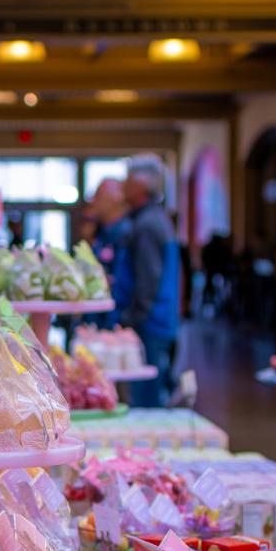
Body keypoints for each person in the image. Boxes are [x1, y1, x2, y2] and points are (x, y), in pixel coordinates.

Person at [120, 156, 180, 407]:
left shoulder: (147, 224)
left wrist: (132, 319)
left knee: (147, 399)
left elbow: (149, 278)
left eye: (128, 180)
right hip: (159, 319)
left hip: (151, 323)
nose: (123, 186)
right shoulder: (156, 219)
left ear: (141, 186)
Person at [87, 177, 134, 324]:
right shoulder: (102, 234)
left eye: (99, 196)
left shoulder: (128, 234)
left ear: (116, 199)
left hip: (116, 321)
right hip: (97, 319)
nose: (94, 201)